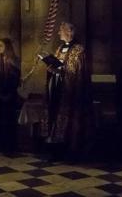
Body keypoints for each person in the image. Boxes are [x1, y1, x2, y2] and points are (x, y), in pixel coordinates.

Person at [41, 22, 91, 160]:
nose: (58, 33)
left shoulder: (79, 50)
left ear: (69, 32)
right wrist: (52, 70)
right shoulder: (59, 48)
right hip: (57, 88)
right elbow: (56, 65)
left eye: (61, 30)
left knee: (69, 121)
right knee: (54, 117)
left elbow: (78, 72)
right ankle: (55, 150)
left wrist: (62, 71)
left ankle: (70, 151)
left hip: (70, 92)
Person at [0, 38, 21, 153]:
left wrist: (9, 94)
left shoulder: (15, 60)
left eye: (1, 46)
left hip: (11, 95)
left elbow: (16, 78)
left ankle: (10, 146)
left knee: (10, 121)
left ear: (7, 47)